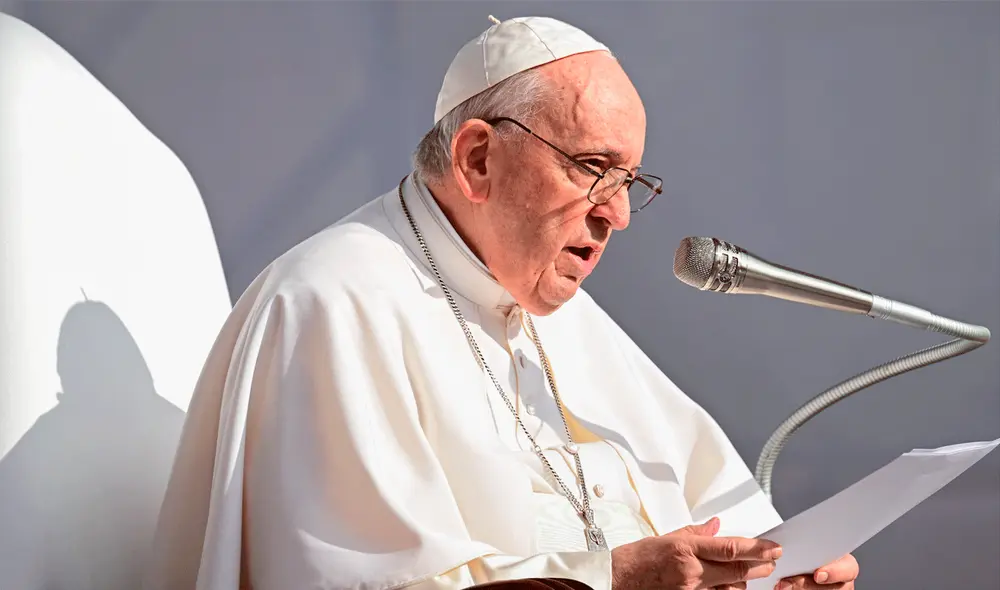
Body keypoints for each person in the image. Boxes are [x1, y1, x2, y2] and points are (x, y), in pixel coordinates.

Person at [145, 15, 860, 590]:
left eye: (631, 181)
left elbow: (715, 529)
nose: (619, 216)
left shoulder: (572, 323)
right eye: (592, 168)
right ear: (477, 159)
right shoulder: (329, 303)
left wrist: (778, 573)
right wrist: (608, 582)